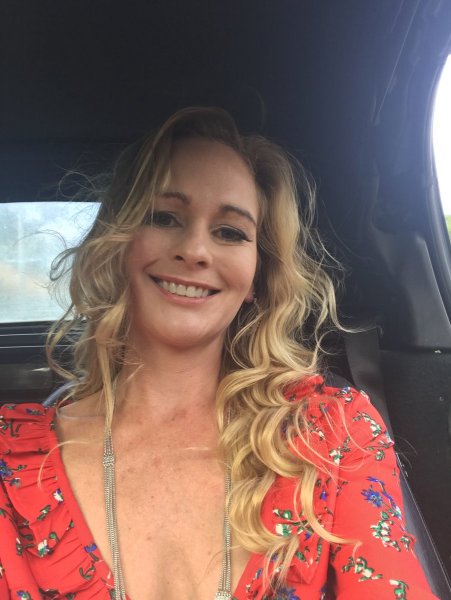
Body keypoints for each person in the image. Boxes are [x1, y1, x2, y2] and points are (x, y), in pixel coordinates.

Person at [0, 107, 437, 599]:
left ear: (256, 277)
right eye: (164, 217)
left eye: (230, 231)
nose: (195, 250)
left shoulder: (334, 433)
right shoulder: (10, 462)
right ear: (118, 245)